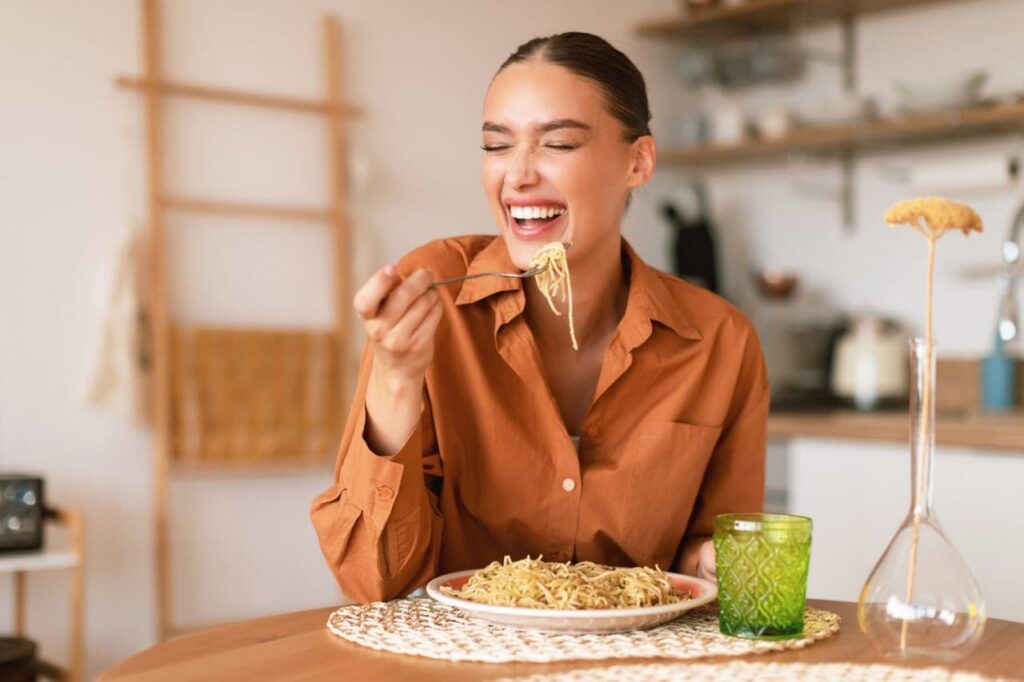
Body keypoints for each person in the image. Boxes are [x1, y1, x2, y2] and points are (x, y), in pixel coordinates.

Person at [311, 32, 768, 604]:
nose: (519, 175)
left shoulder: (720, 341)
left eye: (558, 143)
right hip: (462, 649)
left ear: (638, 162)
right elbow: (372, 581)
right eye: (497, 146)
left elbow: (712, 548)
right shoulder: (433, 300)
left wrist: (712, 561)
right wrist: (396, 379)